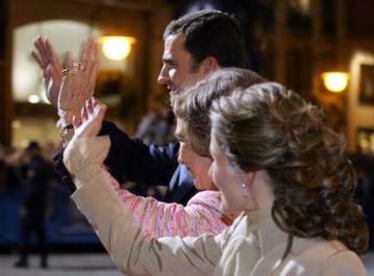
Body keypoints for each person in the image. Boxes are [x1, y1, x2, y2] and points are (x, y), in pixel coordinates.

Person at [63, 69, 368, 275]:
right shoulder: (242, 234)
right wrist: (86, 170)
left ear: (247, 171)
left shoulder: (330, 265)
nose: (215, 176)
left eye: (218, 160)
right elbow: (143, 254)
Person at [32, 9, 250, 205]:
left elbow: (134, 233)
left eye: (171, 65)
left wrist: (71, 114)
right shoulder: (202, 141)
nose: (161, 77)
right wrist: (77, 109)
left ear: (209, 67)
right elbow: (136, 159)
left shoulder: (246, 153)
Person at [76, 68, 264, 238]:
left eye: (184, 140)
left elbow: (135, 242)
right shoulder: (267, 209)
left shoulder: (212, 212)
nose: (161, 76)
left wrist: (82, 156)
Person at [15, 141, 52, 269]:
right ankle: (41, 260)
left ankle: (26, 259)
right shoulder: (35, 163)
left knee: (28, 232)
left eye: (31, 150)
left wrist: (25, 204)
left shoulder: (38, 164)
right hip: (38, 202)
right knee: (39, 232)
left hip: (34, 203)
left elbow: (32, 187)